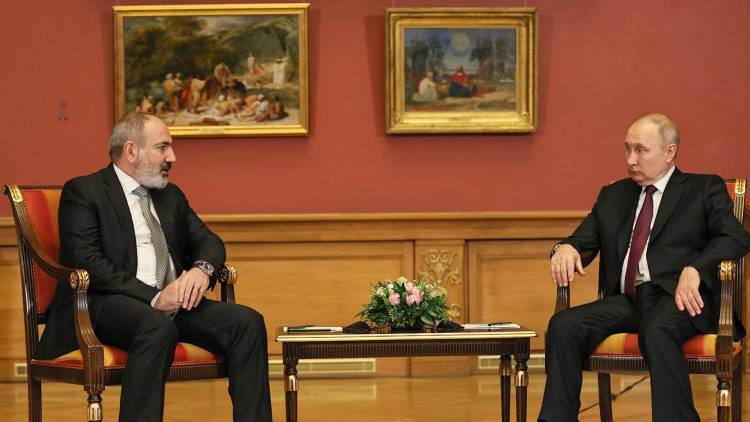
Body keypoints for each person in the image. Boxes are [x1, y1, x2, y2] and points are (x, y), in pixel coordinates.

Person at [36, 112, 272, 422]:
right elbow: (87, 261)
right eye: (163, 147)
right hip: (105, 304)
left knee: (247, 322)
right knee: (156, 326)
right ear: (131, 150)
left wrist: (201, 270)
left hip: (173, 303)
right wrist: (155, 297)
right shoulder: (84, 191)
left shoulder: (170, 195)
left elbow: (208, 240)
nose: (172, 157)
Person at [539, 113, 750, 422]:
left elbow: (735, 237)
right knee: (563, 325)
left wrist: (695, 267)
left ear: (669, 152)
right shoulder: (613, 195)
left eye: (641, 150)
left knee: (657, 328)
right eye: (627, 149)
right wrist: (565, 248)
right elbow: (580, 240)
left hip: (680, 300)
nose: (631, 159)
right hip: (629, 300)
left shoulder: (703, 188)